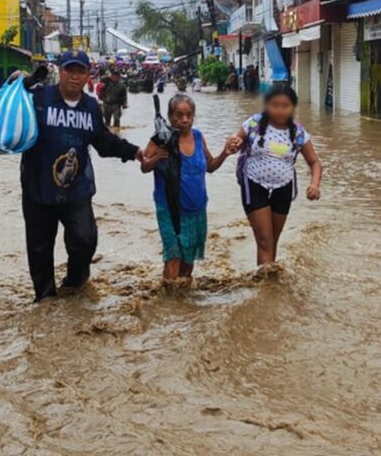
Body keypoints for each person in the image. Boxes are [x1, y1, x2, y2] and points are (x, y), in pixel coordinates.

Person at [19, 50, 146, 302]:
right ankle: (45, 301)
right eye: (69, 70)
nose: (74, 77)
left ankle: (74, 286)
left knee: (85, 240)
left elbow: (103, 141)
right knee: (39, 248)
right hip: (38, 188)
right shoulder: (38, 98)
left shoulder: (90, 107)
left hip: (76, 189)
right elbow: (7, 104)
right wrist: (23, 80)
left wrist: (135, 152)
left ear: (88, 75)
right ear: (60, 71)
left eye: (80, 71)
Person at [141, 94, 237, 282]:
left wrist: (225, 153)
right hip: (169, 208)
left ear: (193, 117)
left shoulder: (199, 137)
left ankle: (183, 303)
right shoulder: (161, 139)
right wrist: (156, 158)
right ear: (169, 116)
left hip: (196, 208)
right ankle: (169, 303)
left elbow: (210, 166)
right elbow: (144, 167)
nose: (184, 120)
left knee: (188, 259)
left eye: (189, 115)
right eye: (178, 115)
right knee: (173, 256)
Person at [232, 86, 323, 266]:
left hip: (284, 187)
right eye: (275, 105)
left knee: (273, 239)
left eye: (285, 106)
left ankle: (269, 283)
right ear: (267, 106)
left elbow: (315, 162)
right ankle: (266, 286)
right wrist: (235, 142)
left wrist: (315, 184)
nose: (280, 110)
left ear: (293, 107)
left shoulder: (298, 133)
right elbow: (237, 140)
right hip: (254, 185)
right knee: (265, 241)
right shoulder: (254, 124)